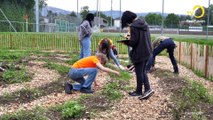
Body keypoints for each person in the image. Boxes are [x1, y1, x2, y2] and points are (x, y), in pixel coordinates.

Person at [121, 11, 154, 100]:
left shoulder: (133, 26)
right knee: (142, 71)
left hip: (139, 52)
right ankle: (139, 91)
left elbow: (134, 42)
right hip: (147, 51)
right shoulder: (144, 23)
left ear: (128, 19)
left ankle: (147, 89)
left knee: (139, 73)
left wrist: (126, 42)